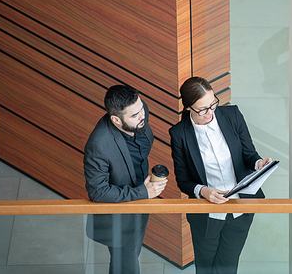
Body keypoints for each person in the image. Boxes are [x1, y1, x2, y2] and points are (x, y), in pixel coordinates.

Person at [169, 77, 272, 274]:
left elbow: (249, 154)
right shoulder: (179, 134)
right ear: (189, 108)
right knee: (206, 268)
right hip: (206, 214)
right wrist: (203, 191)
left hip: (240, 209)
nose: (210, 113)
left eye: (212, 104)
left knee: (228, 267)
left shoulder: (232, 115)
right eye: (202, 109)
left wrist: (259, 164)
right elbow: (183, 181)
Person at [84, 85, 167, 274]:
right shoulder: (99, 145)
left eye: (141, 109)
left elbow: (143, 147)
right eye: (134, 115)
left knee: (122, 265)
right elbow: (98, 192)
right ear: (115, 120)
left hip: (140, 208)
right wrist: (143, 192)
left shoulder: (138, 112)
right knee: (128, 267)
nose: (142, 116)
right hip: (118, 220)